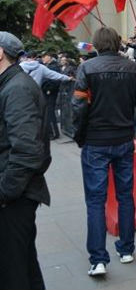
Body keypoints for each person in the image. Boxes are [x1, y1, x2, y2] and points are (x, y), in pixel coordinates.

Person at [72, 27, 136, 277]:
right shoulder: (133, 68)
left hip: (95, 142)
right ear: (118, 43)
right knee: (125, 195)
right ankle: (126, 249)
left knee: (96, 200)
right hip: (123, 141)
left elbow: (78, 107)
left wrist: (79, 135)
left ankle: (98, 259)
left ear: (96, 44)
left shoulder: (87, 68)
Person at [0, 32, 50, 290]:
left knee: (13, 272)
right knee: (23, 265)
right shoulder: (12, 84)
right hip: (16, 195)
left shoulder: (17, 88)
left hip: (14, 198)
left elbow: (27, 150)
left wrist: (5, 192)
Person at [20, 52, 73, 140]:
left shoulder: (20, 67)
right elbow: (55, 75)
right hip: (36, 93)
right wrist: (68, 78)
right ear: (35, 58)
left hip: (23, 93)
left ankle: (26, 134)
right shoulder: (41, 67)